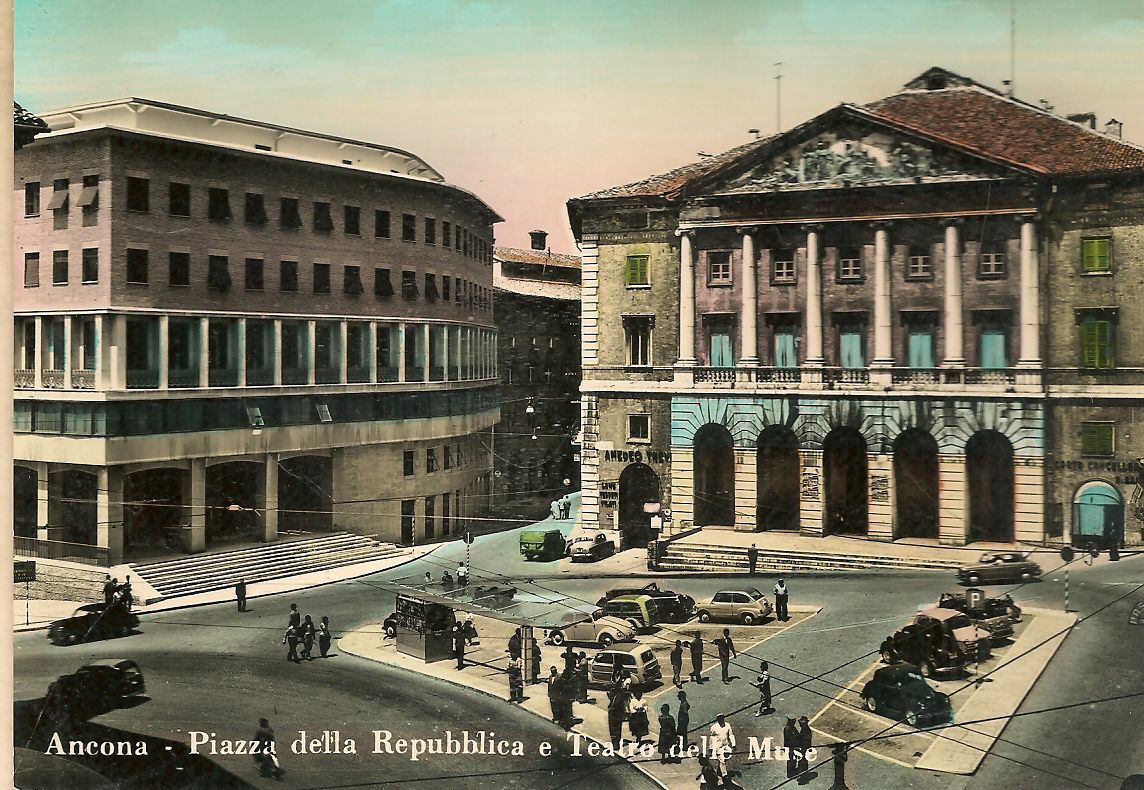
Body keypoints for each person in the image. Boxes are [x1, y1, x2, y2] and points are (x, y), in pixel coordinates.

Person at [708, 713, 736, 783]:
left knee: (724, 760)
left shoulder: (727, 725)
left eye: (722, 718)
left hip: (726, 746)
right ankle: (724, 775)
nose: (721, 719)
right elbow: (711, 738)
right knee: (722, 760)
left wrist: (734, 744)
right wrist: (711, 747)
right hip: (718, 746)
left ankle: (719, 770)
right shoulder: (714, 727)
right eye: (719, 718)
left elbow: (731, 735)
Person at [606, 675, 626, 749]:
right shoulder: (616, 697)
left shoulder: (616, 697)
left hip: (615, 711)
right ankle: (616, 743)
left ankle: (615, 743)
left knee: (614, 728)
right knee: (616, 728)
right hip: (616, 711)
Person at [796, 716, 812, 780]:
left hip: (804, 748)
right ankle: (802, 774)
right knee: (802, 761)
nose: (800, 724)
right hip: (803, 748)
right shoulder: (804, 729)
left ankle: (803, 775)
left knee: (803, 761)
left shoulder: (806, 730)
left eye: (801, 723)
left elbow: (806, 739)